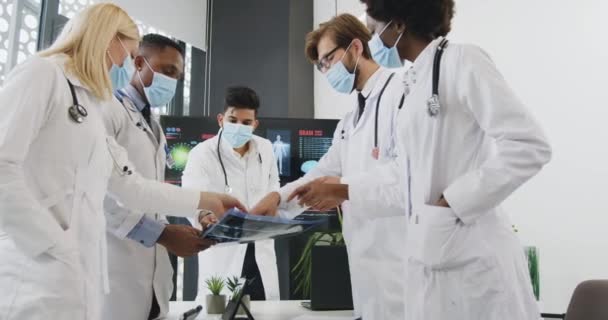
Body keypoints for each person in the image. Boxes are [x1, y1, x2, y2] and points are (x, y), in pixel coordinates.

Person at [288, 0, 553, 319]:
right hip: (429, 260)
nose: (373, 40)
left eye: (374, 29)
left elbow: (529, 145)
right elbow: (402, 179)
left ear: (399, 24)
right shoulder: (414, 86)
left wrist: (452, 202)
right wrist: (342, 189)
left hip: (475, 260)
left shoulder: (462, 60)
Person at [0, 4, 244, 320]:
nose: (125, 65)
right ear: (105, 37)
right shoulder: (42, 73)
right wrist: (53, 245)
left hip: (76, 279)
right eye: (128, 55)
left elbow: (129, 186)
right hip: (32, 272)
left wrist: (209, 200)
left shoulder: (88, 103)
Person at [250, 14, 407, 320]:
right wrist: (278, 198)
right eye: (321, 66)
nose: (326, 71)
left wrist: (344, 188)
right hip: (366, 277)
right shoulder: (349, 121)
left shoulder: (401, 94)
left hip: (402, 267)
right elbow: (322, 172)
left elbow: (407, 176)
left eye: (328, 60)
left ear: (356, 48)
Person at [101, 34, 208, 320]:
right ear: (138, 62)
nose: (173, 82)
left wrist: (199, 214)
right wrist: (161, 233)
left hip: (151, 278)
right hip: (112, 270)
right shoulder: (108, 112)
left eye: (178, 75)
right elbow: (103, 196)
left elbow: (153, 196)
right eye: (168, 70)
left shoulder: (154, 127)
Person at [182, 86, 281, 301]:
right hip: (224, 252)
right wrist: (203, 215)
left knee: (265, 311)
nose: (239, 127)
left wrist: (274, 201)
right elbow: (192, 196)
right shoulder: (201, 154)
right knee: (222, 308)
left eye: (246, 123)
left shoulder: (266, 148)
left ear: (255, 124)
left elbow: (274, 185)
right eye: (233, 120)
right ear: (221, 119)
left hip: (260, 249)